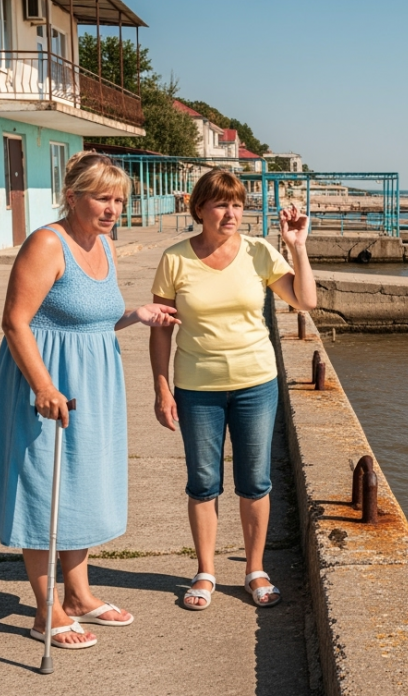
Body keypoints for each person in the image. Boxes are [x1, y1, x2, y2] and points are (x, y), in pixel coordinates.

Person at [0, 152, 180, 649]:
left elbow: (92, 320)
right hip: (46, 383)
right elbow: (15, 321)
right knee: (43, 487)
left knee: (82, 485)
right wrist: (43, 386)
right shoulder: (47, 242)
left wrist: (137, 315)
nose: (113, 209)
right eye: (103, 198)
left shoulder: (104, 244)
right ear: (72, 197)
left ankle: (80, 596)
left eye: (119, 200)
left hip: (95, 384)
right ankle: (46, 610)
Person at [149, 169, 316, 610]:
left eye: (237, 205)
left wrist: (297, 247)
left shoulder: (259, 252)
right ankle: (205, 572)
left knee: (255, 482)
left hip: (255, 384)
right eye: (221, 204)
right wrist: (162, 388)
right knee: (203, 482)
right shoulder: (175, 259)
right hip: (196, 387)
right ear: (200, 208)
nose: (231, 213)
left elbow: (306, 301)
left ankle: (255, 569)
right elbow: (161, 330)